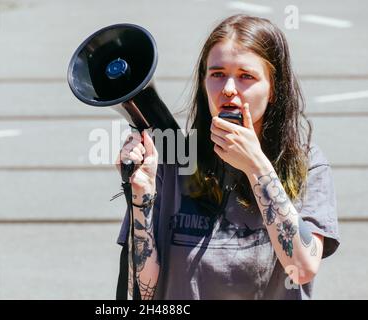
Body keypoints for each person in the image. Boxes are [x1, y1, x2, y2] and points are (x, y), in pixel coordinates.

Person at [115, 14, 340, 300]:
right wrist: (140, 196)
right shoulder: (173, 158)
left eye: (246, 76)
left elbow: (303, 266)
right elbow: (141, 292)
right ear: (204, 82)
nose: (229, 90)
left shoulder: (306, 163)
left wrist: (256, 165)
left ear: (274, 89)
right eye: (217, 74)